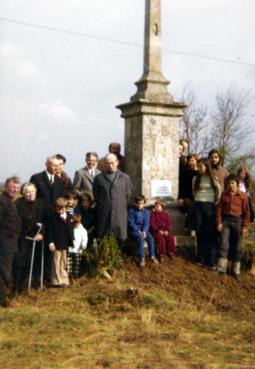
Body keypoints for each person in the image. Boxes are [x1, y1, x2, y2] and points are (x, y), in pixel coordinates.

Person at [14, 182, 46, 295]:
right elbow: (18, 221)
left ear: (36, 192)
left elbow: (45, 220)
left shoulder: (41, 203)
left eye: (32, 191)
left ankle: (27, 286)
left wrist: (41, 233)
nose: (30, 194)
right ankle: (16, 288)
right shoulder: (18, 203)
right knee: (21, 262)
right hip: (22, 237)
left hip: (38, 237)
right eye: (27, 192)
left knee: (33, 262)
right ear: (23, 193)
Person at [216, 174, 250, 279]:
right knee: (224, 243)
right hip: (226, 221)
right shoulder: (223, 194)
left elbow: (247, 212)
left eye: (233, 183)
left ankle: (236, 270)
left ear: (237, 184)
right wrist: (219, 222)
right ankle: (221, 268)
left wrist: (245, 227)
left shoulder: (243, 195)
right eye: (229, 183)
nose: (230, 185)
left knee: (237, 246)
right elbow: (219, 210)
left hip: (237, 221)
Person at [93, 153, 132, 242]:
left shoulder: (125, 178)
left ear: (117, 162)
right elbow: (96, 196)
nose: (110, 165)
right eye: (108, 163)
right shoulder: (98, 178)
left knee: (120, 240)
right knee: (103, 240)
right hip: (104, 215)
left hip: (119, 214)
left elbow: (128, 195)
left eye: (112, 163)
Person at [193, 158, 221, 268]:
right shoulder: (196, 178)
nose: (198, 168)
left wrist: (214, 203)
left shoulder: (213, 178)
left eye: (201, 166)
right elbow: (193, 191)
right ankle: (201, 258)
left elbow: (218, 191)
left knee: (210, 233)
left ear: (206, 166)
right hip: (198, 204)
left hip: (210, 205)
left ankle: (211, 260)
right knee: (199, 232)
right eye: (198, 166)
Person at [0, 176, 21, 307]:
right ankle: (2, 301)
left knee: (5, 272)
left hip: (10, 244)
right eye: (12, 187)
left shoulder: (10, 201)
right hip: (4, 244)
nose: (14, 189)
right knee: (3, 273)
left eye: (17, 188)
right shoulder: (2, 201)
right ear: (6, 187)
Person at [46, 197, 74, 287]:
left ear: (66, 208)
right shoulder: (52, 217)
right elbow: (49, 231)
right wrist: (50, 242)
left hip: (65, 243)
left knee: (64, 262)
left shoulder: (69, 217)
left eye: (62, 209)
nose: (60, 211)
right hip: (56, 244)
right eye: (58, 208)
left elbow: (70, 230)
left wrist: (72, 240)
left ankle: (64, 279)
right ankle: (56, 281)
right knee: (56, 262)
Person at [128, 195, 158, 267]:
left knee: (150, 238)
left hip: (143, 230)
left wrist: (144, 231)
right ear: (135, 203)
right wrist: (138, 231)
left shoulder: (146, 212)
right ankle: (142, 258)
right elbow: (131, 223)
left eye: (141, 203)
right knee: (140, 238)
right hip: (134, 231)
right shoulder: (131, 211)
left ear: (144, 204)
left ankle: (152, 256)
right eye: (138, 203)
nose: (140, 205)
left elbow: (146, 222)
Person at [177, 153, 198, 233]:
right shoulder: (183, 173)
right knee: (192, 207)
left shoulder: (198, 173)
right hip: (186, 197)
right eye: (190, 160)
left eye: (193, 160)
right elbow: (181, 187)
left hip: (196, 197)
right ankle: (188, 228)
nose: (191, 162)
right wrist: (180, 198)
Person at [67, 211, 87, 278]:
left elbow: (85, 239)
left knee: (77, 264)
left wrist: (84, 245)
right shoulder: (70, 229)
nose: (75, 224)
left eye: (77, 223)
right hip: (70, 249)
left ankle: (75, 276)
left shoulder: (83, 230)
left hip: (78, 250)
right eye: (74, 223)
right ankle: (69, 276)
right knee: (69, 264)